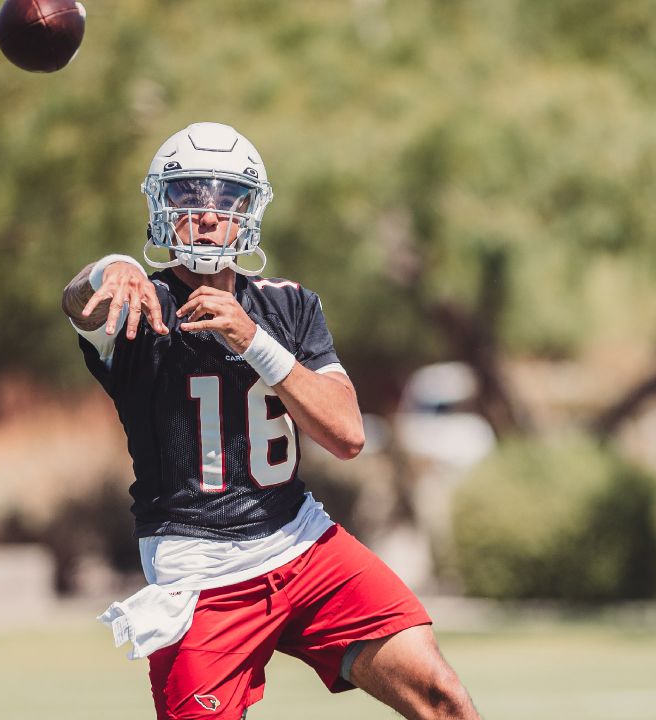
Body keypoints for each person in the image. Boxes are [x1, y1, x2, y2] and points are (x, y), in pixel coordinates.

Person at [61, 121, 480, 720]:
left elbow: (347, 435)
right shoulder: (137, 306)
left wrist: (254, 340)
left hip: (303, 544)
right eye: (188, 197)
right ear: (161, 206)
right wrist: (108, 267)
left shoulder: (287, 306)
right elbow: (77, 301)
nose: (207, 215)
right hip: (200, 572)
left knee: (443, 698)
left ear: (249, 210)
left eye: (224, 198)